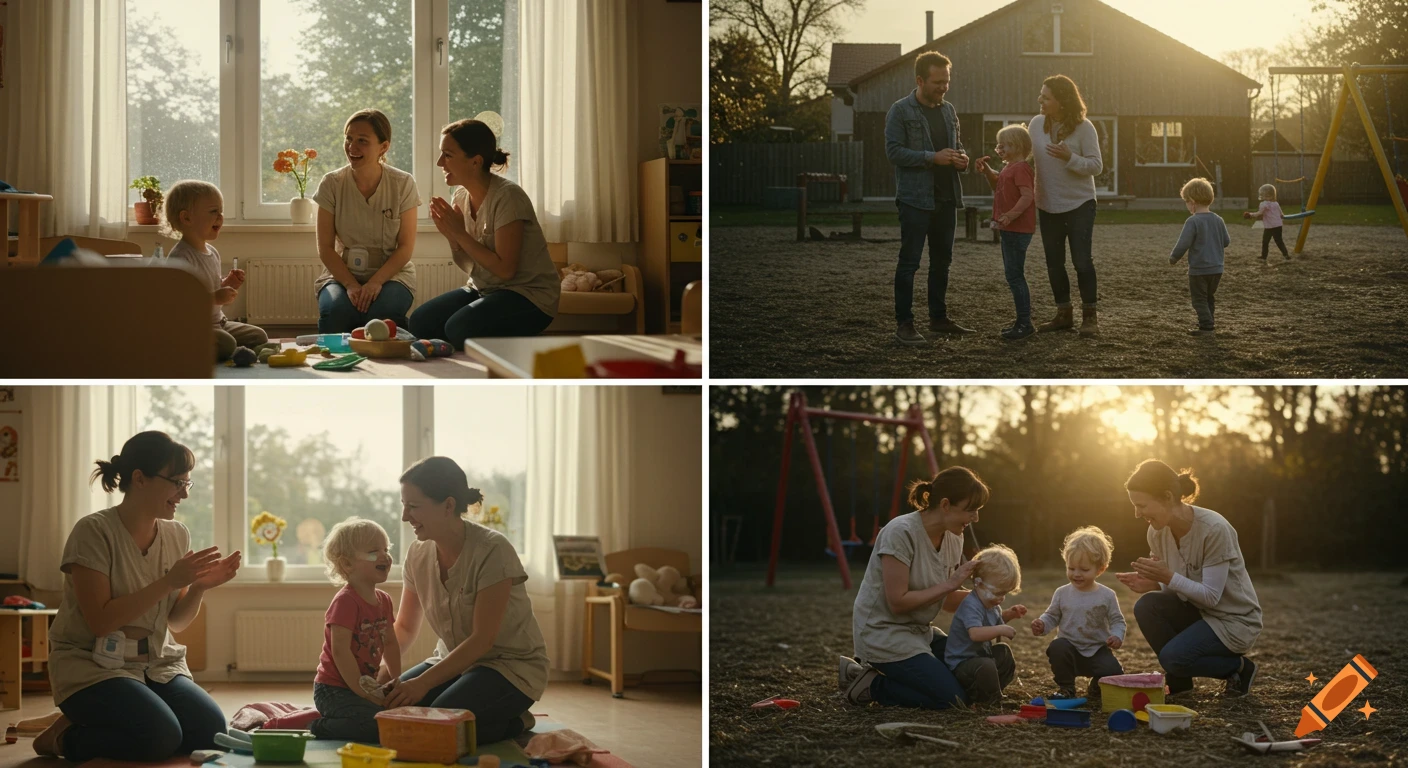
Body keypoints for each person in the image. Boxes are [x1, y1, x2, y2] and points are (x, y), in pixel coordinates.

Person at [34, 432, 241, 761]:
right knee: (160, 736)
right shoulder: (93, 531)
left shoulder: (177, 534)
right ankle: (62, 737)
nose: (183, 494)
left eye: (188, 483)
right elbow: (101, 622)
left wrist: (199, 586)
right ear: (140, 479)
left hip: (158, 664)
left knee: (211, 733)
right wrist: (169, 581)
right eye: (177, 482)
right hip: (92, 666)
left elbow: (175, 621)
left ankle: (117, 715)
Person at [381, 457, 547, 744]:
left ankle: (516, 721)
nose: (405, 517)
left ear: (447, 505)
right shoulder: (417, 555)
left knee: (436, 721)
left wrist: (420, 684)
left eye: (414, 506)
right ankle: (490, 718)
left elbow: (482, 640)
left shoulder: (492, 550)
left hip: (508, 667)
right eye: (403, 505)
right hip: (450, 661)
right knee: (392, 710)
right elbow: (405, 627)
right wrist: (384, 674)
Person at [838, 467, 989, 709]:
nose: (976, 518)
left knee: (976, 670)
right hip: (884, 634)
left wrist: (983, 597)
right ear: (946, 504)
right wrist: (951, 583)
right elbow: (898, 603)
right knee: (953, 700)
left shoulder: (953, 536)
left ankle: (921, 677)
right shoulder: (900, 532)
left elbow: (945, 600)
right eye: (971, 510)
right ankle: (869, 684)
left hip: (920, 633)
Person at [1115, 460, 1262, 697]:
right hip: (1198, 614)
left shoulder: (1214, 529)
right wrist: (1156, 583)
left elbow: (1211, 597)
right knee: (1147, 605)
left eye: (1141, 505)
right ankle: (1181, 683)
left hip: (1233, 621)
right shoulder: (1156, 532)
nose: (1136, 514)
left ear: (1168, 496)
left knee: (1172, 658)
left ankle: (1239, 668)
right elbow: (1181, 584)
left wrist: (1167, 576)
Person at [408, 120, 560, 347]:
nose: (440, 162)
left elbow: (506, 271)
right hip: (485, 290)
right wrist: (452, 238)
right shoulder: (460, 196)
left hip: (528, 296)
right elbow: (469, 266)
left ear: (475, 162)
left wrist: (460, 234)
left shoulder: (508, 197)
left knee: (457, 328)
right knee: (420, 322)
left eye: (448, 155)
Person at [883, 51, 974, 346]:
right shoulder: (899, 111)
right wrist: (931, 158)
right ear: (920, 80)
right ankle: (905, 324)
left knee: (942, 262)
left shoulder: (949, 111)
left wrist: (964, 159)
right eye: (937, 82)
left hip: (946, 199)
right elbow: (894, 152)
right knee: (909, 263)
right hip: (915, 200)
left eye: (946, 81)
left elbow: (957, 146)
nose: (944, 87)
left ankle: (938, 318)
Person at [312, 108, 420, 333]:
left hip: (392, 275)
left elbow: (405, 248)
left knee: (381, 316)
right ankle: (332, 365)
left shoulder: (403, 183)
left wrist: (375, 282)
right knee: (337, 312)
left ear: (383, 147)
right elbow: (325, 248)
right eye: (349, 139)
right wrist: (351, 284)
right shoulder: (331, 183)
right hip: (341, 274)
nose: (352, 147)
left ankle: (393, 362)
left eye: (362, 141)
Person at [310, 518, 399, 744]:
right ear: (347, 564)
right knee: (373, 725)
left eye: (386, 549)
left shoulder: (384, 601)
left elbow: (390, 643)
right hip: (333, 690)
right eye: (373, 551)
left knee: (399, 715)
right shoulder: (346, 602)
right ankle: (313, 724)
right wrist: (363, 693)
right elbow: (340, 652)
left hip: (364, 685)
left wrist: (397, 681)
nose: (384, 556)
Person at [1030, 75, 1103, 336]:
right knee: (1054, 262)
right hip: (1047, 203)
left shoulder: (1084, 128)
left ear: (1062, 101)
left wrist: (1069, 157)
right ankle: (1063, 315)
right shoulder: (1036, 125)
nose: (1040, 100)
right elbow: (1029, 161)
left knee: (1082, 261)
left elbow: (1096, 166)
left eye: (1046, 97)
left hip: (1079, 203)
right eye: (1041, 95)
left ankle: (1090, 318)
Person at [163, 180, 268, 361]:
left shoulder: (212, 252)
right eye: (213, 211)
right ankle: (196, 350)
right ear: (187, 218)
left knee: (259, 336)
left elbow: (211, 286)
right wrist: (216, 297)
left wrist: (228, 284)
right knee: (227, 343)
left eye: (221, 211)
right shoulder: (180, 258)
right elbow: (180, 303)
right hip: (191, 329)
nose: (220, 216)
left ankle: (223, 350)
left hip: (219, 324)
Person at [1030, 526, 1126, 700]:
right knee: (1057, 647)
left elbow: (1117, 620)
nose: (1076, 574)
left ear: (1100, 569)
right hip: (1070, 648)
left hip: (1097, 649)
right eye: (1071, 568)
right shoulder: (1062, 593)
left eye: (1084, 569)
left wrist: (1117, 636)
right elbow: (1052, 615)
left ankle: (1097, 685)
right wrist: (1043, 625)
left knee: (1114, 672)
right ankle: (1067, 688)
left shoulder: (1107, 595)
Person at [975, 124, 1037, 340]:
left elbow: (1028, 196)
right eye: (999, 144)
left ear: (1018, 146)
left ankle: (1024, 323)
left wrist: (1010, 215)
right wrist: (987, 172)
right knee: (1014, 275)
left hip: (1017, 228)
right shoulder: (1010, 168)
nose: (999, 148)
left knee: (1015, 276)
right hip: (1011, 227)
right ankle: (1023, 321)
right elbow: (998, 186)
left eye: (1005, 144)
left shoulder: (1020, 169)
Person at [944, 544, 1026, 705]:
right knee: (986, 665)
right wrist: (1001, 629)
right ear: (978, 583)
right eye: (998, 592)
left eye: (1005, 593)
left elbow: (993, 623)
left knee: (1003, 652)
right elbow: (976, 634)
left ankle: (992, 693)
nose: (1000, 598)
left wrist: (1008, 615)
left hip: (979, 659)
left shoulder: (990, 602)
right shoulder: (971, 605)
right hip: (962, 665)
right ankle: (989, 699)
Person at [1169, 178, 1231, 336]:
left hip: (1199, 269)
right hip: (1217, 269)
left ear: (1192, 202)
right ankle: (1209, 321)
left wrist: (1174, 257)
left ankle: (1206, 327)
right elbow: (1226, 242)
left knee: (1199, 299)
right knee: (1209, 297)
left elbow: (1183, 244)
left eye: (1186, 202)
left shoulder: (1193, 221)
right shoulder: (1218, 220)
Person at [1244, 184, 1290, 261]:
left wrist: (1250, 215)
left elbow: (1259, 213)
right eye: (1265, 196)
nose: (1266, 197)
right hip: (1276, 225)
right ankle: (1280, 255)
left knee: (1270, 241)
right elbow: (1281, 213)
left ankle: (1282, 255)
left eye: (1268, 196)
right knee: (1273, 241)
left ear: (1272, 196)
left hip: (1271, 226)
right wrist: (1282, 215)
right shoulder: (1275, 203)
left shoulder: (1264, 204)